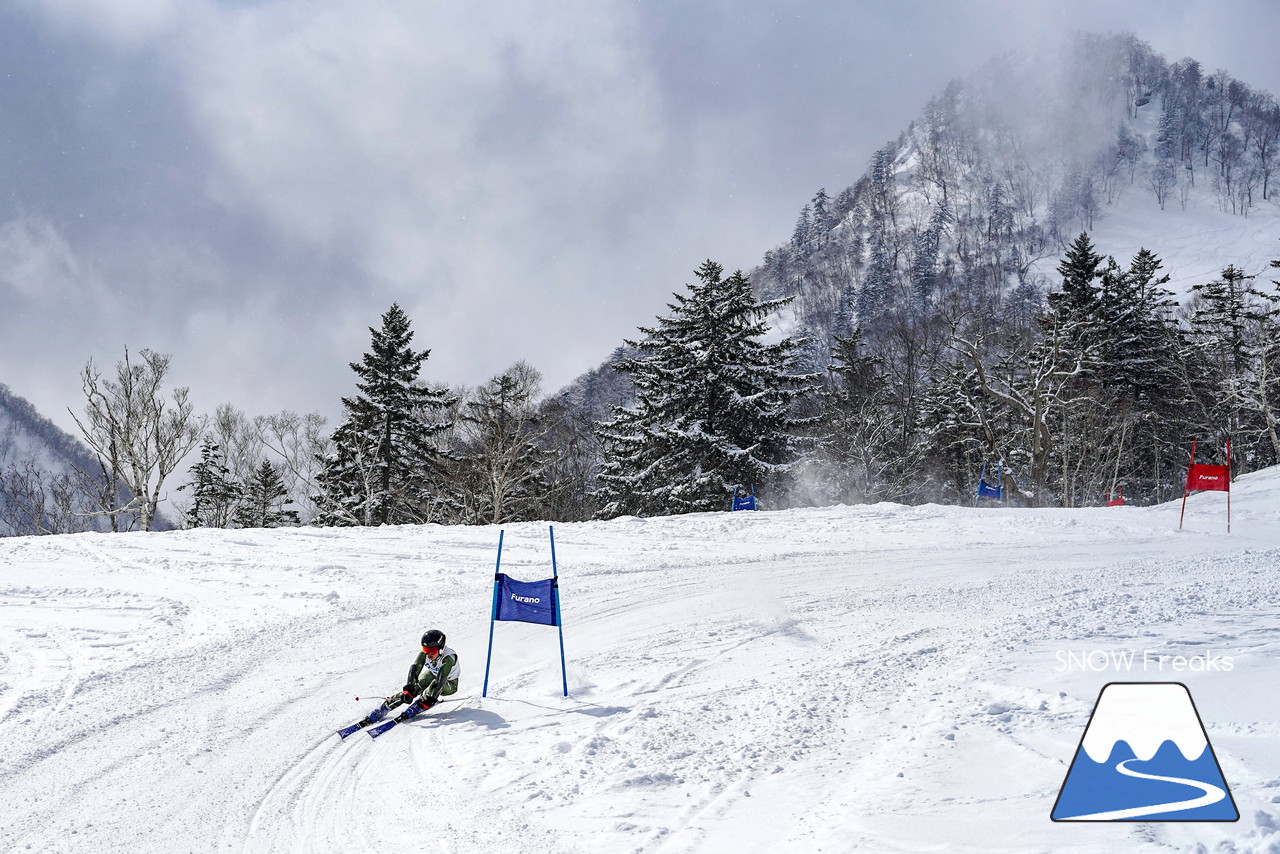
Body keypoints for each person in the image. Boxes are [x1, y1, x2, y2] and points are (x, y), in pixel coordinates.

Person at [355, 629, 461, 728]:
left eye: (432, 650)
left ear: (441, 649)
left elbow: (440, 681)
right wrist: (408, 689)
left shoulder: (448, 658)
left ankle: (419, 704)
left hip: (449, 683)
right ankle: (383, 709)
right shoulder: (426, 654)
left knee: (433, 685)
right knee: (413, 689)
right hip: (433, 674)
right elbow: (415, 668)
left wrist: (431, 699)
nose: (428, 654)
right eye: (426, 650)